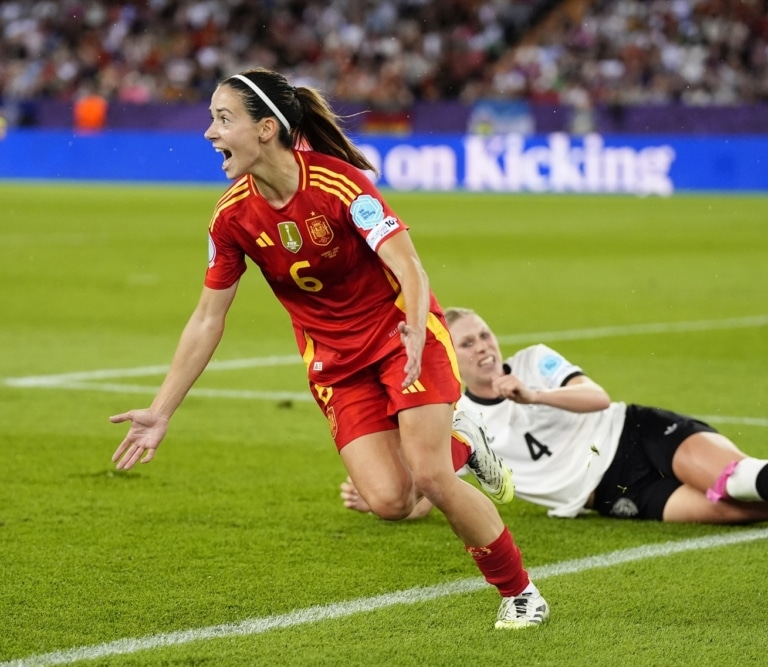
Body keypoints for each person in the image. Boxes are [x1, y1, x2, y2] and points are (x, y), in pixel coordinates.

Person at [109, 68, 548, 630]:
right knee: (390, 502)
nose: (209, 133)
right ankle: (465, 439)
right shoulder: (231, 218)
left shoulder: (340, 186)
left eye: (223, 119)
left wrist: (416, 328)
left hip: (401, 339)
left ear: (267, 129)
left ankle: (520, 593)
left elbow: (407, 265)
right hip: (336, 365)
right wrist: (160, 410)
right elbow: (206, 317)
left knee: (431, 477)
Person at [341, 307, 768, 524]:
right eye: (467, 344)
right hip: (607, 491)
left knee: (730, 480)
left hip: (638, 433)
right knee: (730, 512)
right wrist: (384, 498)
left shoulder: (533, 362)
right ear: (448, 357)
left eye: (485, 334)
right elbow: (434, 489)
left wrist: (535, 396)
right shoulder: (458, 418)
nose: (484, 346)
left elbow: (597, 398)